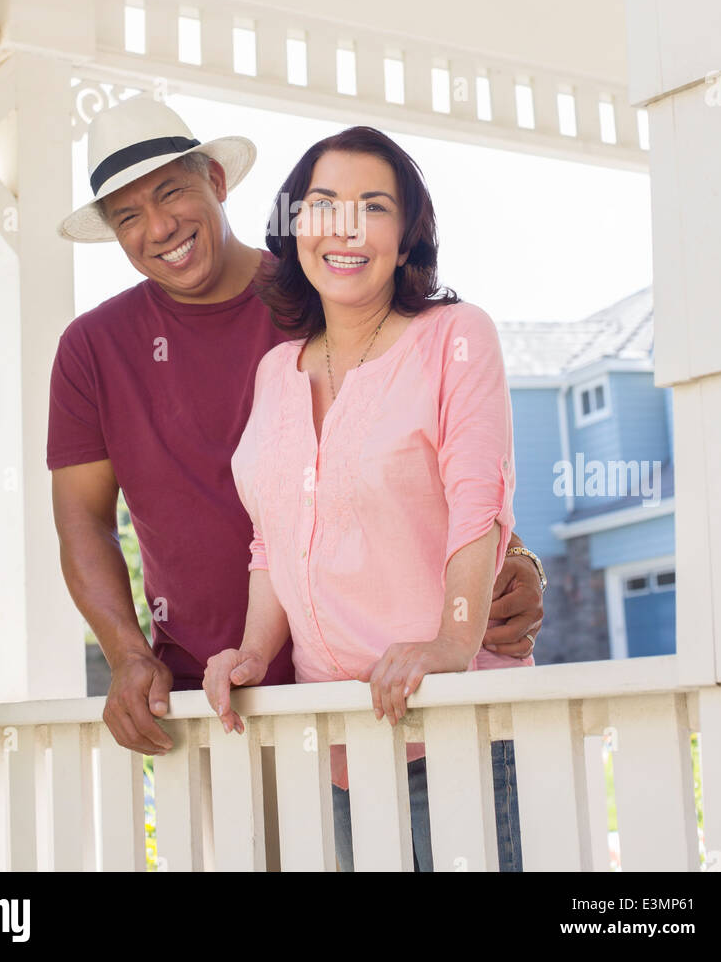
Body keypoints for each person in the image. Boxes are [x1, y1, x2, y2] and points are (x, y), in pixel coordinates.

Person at [47, 94, 544, 866]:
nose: (159, 228)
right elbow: (90, 521)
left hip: (400, 701)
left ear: (215, 179)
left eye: (173, 191)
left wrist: (499, 585)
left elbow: (461, 465)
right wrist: (126, 654)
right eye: (126, 216)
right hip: (225, 701)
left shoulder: (331, 286)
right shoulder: (101, 349)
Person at [203, 125, 535, 871]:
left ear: (407, 235)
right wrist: (255, 653)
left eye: (373, 206)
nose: (346, 226)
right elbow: (273, 540)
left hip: (456, 733)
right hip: (338, 746)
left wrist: (451, 644)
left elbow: (479, 505)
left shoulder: (454, 336)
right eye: (323, 204)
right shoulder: (275, 371)